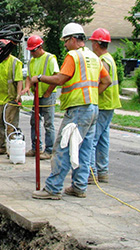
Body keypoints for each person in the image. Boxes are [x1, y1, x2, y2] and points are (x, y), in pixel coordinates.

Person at [31, 23, 111, 200]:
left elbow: (60, 79)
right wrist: (91, 95)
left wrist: (39, 78)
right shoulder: (94, 57)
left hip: (78, 110)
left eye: (66, 41)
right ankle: (79, 186)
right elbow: (107, 81)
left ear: (74, 39)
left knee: (63, 147)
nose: (65, 45)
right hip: (92, 109)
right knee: (84, 149)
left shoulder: (73, 56)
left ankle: (53, 188)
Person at [89, 28, 121, 184]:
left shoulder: (102, 61)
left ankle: (91, 173)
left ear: (96, 44)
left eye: (92, 42)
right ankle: (102, 172)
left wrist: (94, 95)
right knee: (102, 139)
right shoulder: (109, 58)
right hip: (110, 104)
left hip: (103, 104)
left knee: (92, 139)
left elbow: (104, 82)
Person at [21, 35, 59, 160]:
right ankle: (35, 147)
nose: (31, 53)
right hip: (37, 95)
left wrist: (48, 92)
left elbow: (56, 77)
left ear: (40, 47)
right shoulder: (31, 61)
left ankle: (49, 150)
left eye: (33, 50)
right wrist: (27, 87)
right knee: (34, 122)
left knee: (48, 123)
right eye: (30, 51)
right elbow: (28, 77)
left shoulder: (50, 58)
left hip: (47, 95)